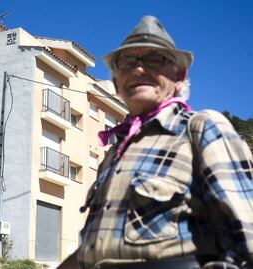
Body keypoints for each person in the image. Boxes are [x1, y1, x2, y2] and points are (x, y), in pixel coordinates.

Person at [58, 16, 253, 269]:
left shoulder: (201, 128)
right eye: (127, 62)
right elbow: (91, 251)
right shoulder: (114, 153)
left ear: (179, 76)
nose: (138, 70)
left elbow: (246, 239)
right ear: (117, 81)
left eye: (154, 59)